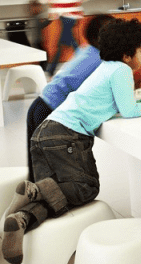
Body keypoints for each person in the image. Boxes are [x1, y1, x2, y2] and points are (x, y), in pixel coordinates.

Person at [1, 19, 141, 264]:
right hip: (67, 136)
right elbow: (127, 112)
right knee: (86, 188)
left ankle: (21, 219)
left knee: (56, 196)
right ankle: (35, 190)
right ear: (127, 55)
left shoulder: (107, 67)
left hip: (46, 131)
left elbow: (117, 106)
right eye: (140, 51)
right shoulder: (121, 71)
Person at [24, 14, 117, 181]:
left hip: (40, 104)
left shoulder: (87, 49)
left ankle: (33, 197)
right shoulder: (100, 59)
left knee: (37, 167)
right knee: (49, 170)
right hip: (50, 111)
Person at [41, 0, 84, 76]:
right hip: (75, 17)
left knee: (69, 43)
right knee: (64, 43)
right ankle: (50, 70)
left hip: (64, 18)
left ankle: (50, 71)